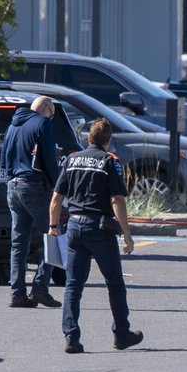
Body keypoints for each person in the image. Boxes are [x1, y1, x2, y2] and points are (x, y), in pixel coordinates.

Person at [48, 117, 144, 354]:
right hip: (99, 230)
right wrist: (127, 234)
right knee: (114, 283)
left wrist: (53, 226)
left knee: (73, 285)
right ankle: (121, 334)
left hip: (74, 228)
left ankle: (71, 336)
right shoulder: (108, 161)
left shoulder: (71, 160)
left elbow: (57, 198)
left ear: (88, 138)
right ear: (108, 141)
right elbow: (117, 200)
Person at [0, 95, 62, 308]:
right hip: (34, 187)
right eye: (51, 114)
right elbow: (48, 157)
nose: (50, 119)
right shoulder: (42, 123)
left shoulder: (12, 125)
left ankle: (17, 293)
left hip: (13, 186)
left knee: (19, 244)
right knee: (52, 235)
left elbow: (3, 161)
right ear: (46, 108)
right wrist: (57, 186)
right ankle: (40, 288)